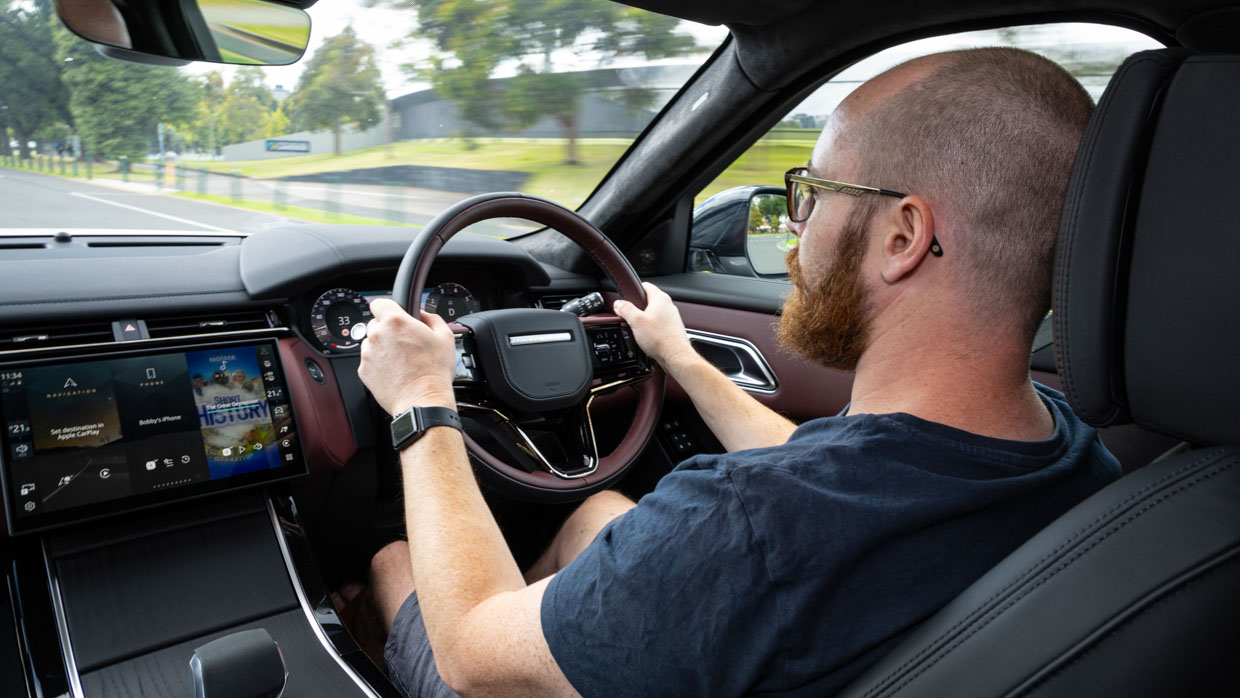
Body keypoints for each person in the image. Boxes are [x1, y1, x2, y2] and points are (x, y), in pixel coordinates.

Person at [356, 47, 1118, 697]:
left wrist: (422, 397)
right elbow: (829, 472)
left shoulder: (744, 527)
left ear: (902, 236)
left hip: (480, 656)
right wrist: (679, 357)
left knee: (394, 562)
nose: (793, 230)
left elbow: (469, 649)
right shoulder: (1071, 449)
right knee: (597, 512)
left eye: (812, 194)